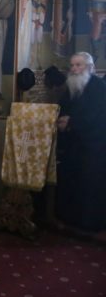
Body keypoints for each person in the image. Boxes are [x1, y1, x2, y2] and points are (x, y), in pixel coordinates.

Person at [55, 52, 106, 233]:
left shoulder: (99, 87)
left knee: (90, 183)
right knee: (71, 180)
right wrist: (61, 119)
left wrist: (71, 122)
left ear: (90, 68)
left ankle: (89, 222)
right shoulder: (71, 86)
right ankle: (70, 218)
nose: (74, 69)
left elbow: (97, 117)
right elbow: (62, 107)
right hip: (74, 145)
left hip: (94, 146)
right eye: (72, 65)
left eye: (79, 65)